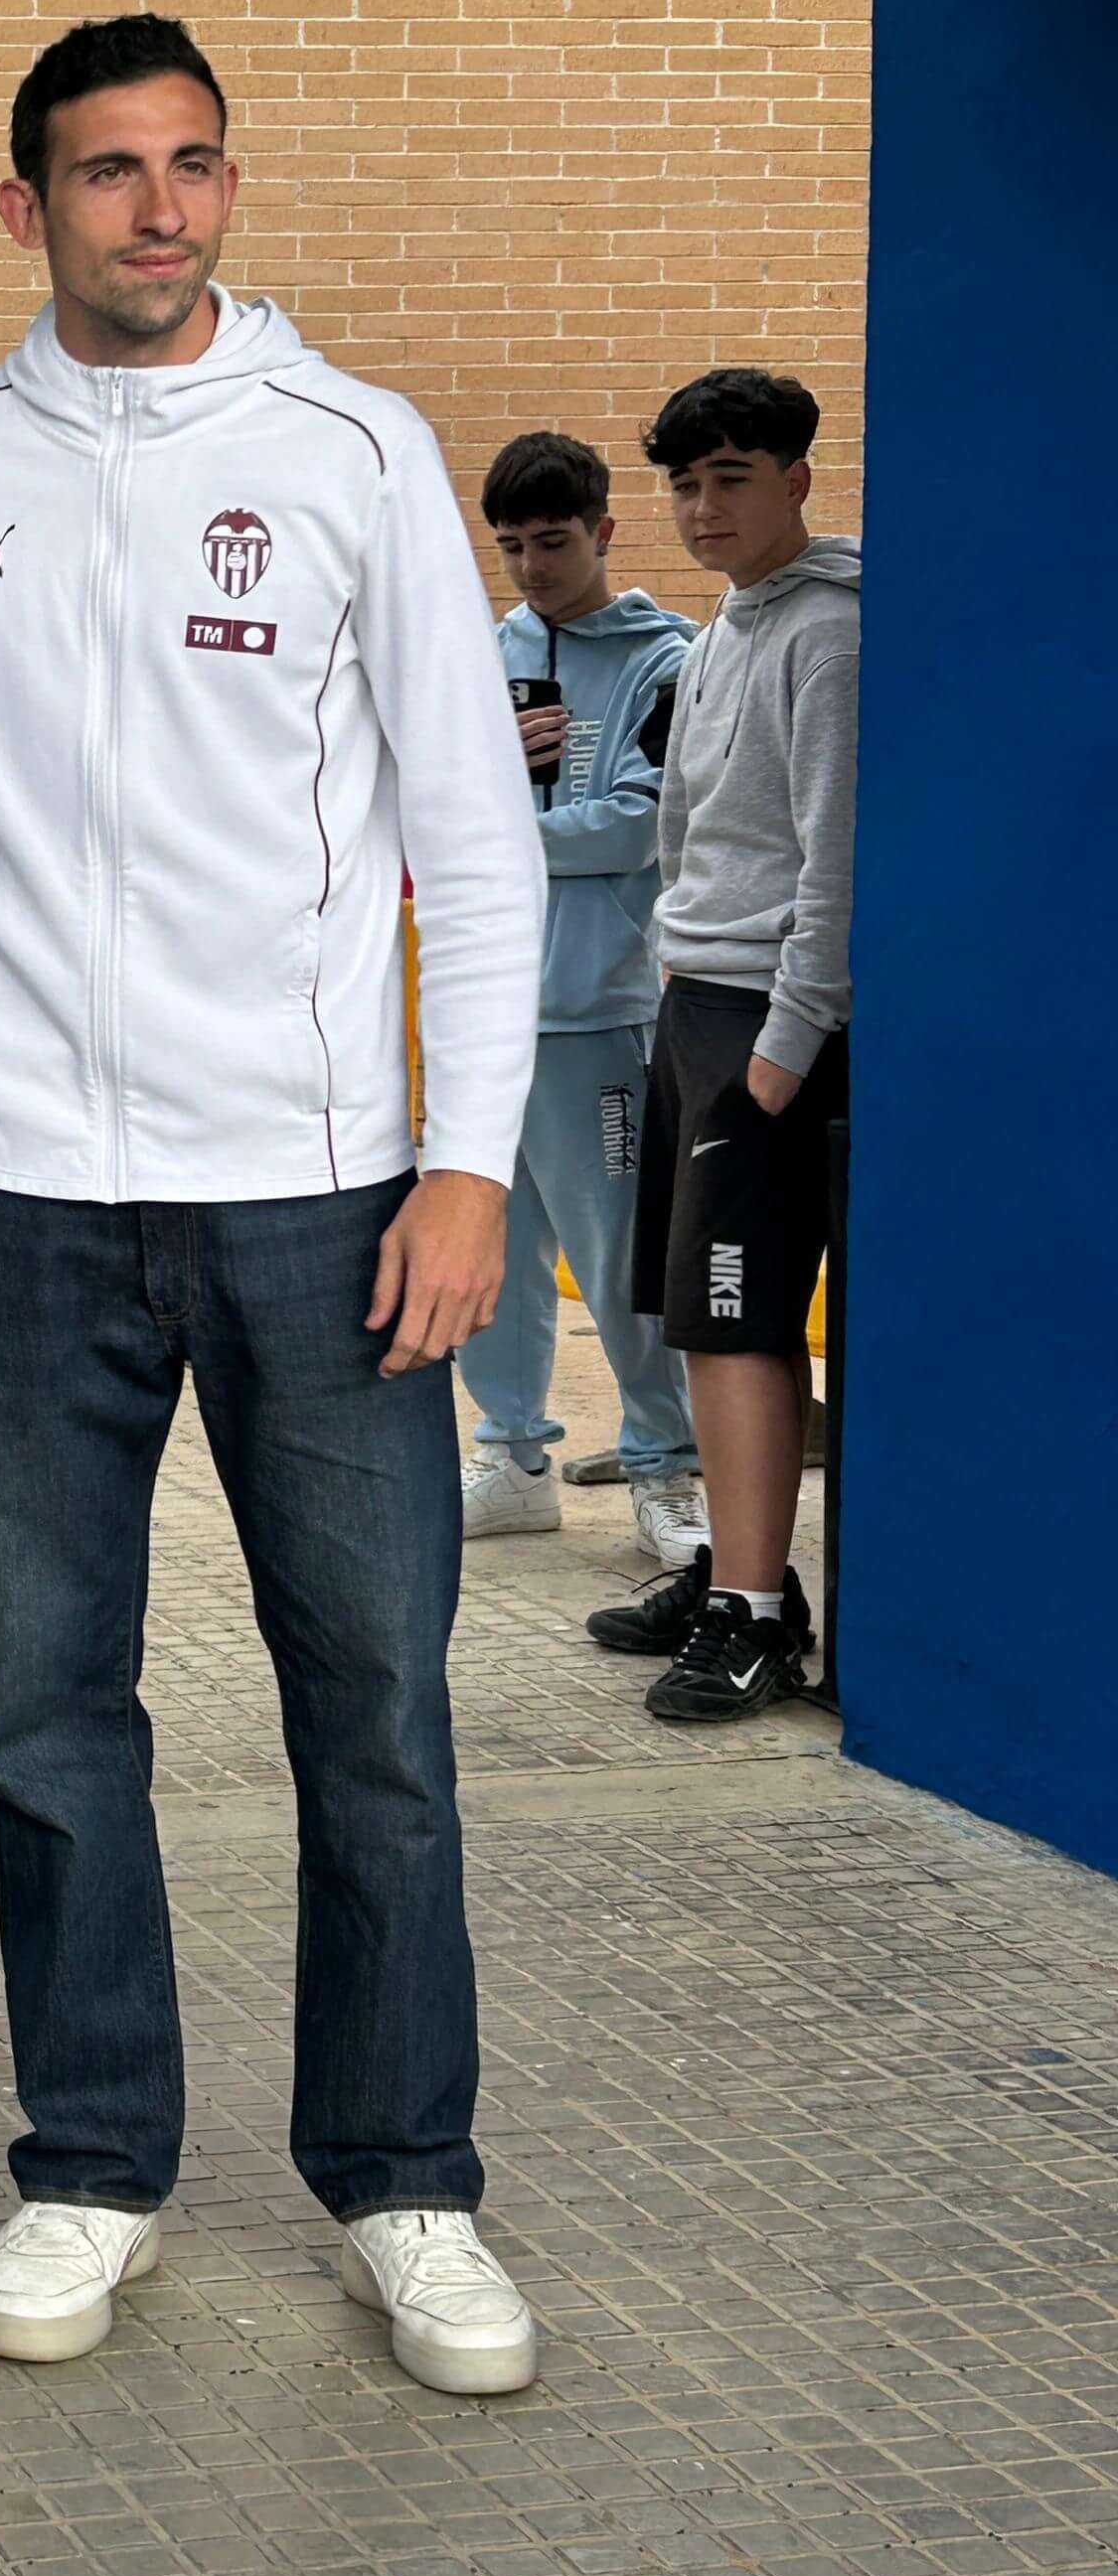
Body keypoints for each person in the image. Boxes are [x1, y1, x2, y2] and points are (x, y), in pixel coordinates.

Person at [0, 13, 551, 2398]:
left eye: (193, 167)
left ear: (231, 187)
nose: (158, 209)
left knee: (384, 1717)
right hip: (26, 1198)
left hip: (329, 1201)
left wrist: (466, 1166)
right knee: (46, 1706)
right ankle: (94, 2161)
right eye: (106, 173)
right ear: (22, 207)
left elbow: (477, 833)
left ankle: (404, 2187)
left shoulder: (352, 452)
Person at [581, 369, 858, 1719]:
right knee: (700, 1311)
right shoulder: (731, 625)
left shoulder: (831, 638)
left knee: (746, 1320)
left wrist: (788, 1038)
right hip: (695, 1002)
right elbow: (689, 833)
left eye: (731, 479)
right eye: (685, 487)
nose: (703, 507)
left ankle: (756, 1615)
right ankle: (740, 1571)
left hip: (766, 1022)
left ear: (798, 478)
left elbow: (836, 856)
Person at [455, 433, 702, 1560]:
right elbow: (420, 804)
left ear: (603, 530)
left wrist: (499, 824)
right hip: (477, 1011)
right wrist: (491, 782)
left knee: (617, 1259)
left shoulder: (667, 662)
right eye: (510, 546)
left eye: (551, 542)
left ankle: (666, 1460)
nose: (531, 568)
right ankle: (510, 1455)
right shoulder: (474, 653)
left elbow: (648, 825)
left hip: (595, 1012)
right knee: (485, 1252)